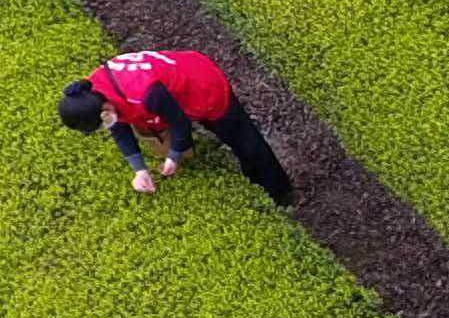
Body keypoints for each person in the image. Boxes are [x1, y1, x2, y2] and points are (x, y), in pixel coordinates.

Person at [56, 49, 294, 205]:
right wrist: (139, 169)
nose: (106, 125)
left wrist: (174, 156)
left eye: (103, 120)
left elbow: (179, 123)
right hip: (176, 84)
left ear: (103, 107)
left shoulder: (145, 94)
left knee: (244, 141)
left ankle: (278, 192)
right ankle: (256, 185)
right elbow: (119, 127)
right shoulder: (94, 89)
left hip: (203, 87)